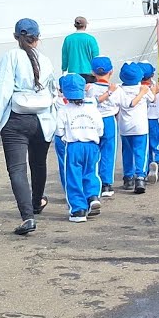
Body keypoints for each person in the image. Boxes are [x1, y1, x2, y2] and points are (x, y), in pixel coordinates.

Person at [0, 18, 58, 236]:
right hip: (42, 119)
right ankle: (37, 201)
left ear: (16, 37)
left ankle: (27, 217)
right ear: (38, 38)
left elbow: (3, 88)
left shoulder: (11, 56)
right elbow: (53, 90)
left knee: (17, 169)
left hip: (16, 119)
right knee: (38, 163)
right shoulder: (46, 60)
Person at [54, 74, 103, 223]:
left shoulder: (64, 109)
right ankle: (93, 196)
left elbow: (59, 129)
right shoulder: (92, 108)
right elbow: (100, 128)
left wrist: (63, 137)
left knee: (73, 177)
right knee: (91, 172)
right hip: (92, 144)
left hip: (74, 145)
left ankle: (78, 210)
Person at [114, 62, 158, 193]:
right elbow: (153, 99)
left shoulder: (119, 89)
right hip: (140, 127)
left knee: (127, 152)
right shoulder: (142, 89)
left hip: (124, 127)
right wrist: (154, 91)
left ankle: (128, 178)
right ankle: (140, 177)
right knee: (141, 152)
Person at [85, 57, 120, 197]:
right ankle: (107, 184)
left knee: (94, 152)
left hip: (93, 120)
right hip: (109, 119)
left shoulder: (89, 88)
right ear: (111, 71)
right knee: (109, 152)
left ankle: (94, 183)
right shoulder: (115, 88)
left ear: (93, 72)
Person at [139, 62, 159, 183]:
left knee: (144, 145)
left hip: (141, 120)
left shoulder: (138, 88)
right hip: (155, 119)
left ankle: (145, 169)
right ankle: (156, 162)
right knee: (157, 143)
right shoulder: (157, 88)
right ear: (152, 75)